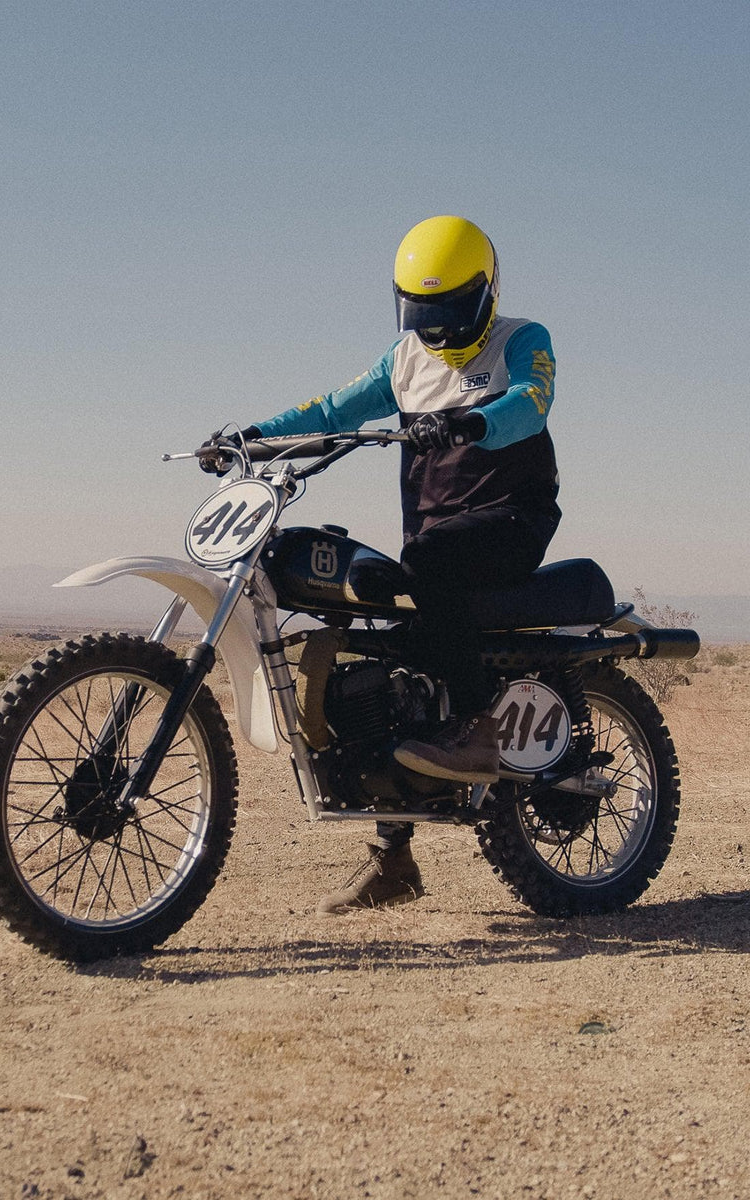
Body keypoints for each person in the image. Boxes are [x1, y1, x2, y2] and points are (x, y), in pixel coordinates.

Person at [199, 215, 560, 914]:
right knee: (385, 659)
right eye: (423, 312)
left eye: (452, 310)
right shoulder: (404, 360)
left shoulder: (523, 340)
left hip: (512, 523)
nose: (437, 327)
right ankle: (393, 860)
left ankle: (480, 732)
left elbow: (531, 403)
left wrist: (470, 421)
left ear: (486, 291)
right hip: (434, 543)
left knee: (431, 563)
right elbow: (333, 409)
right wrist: (250, 437)